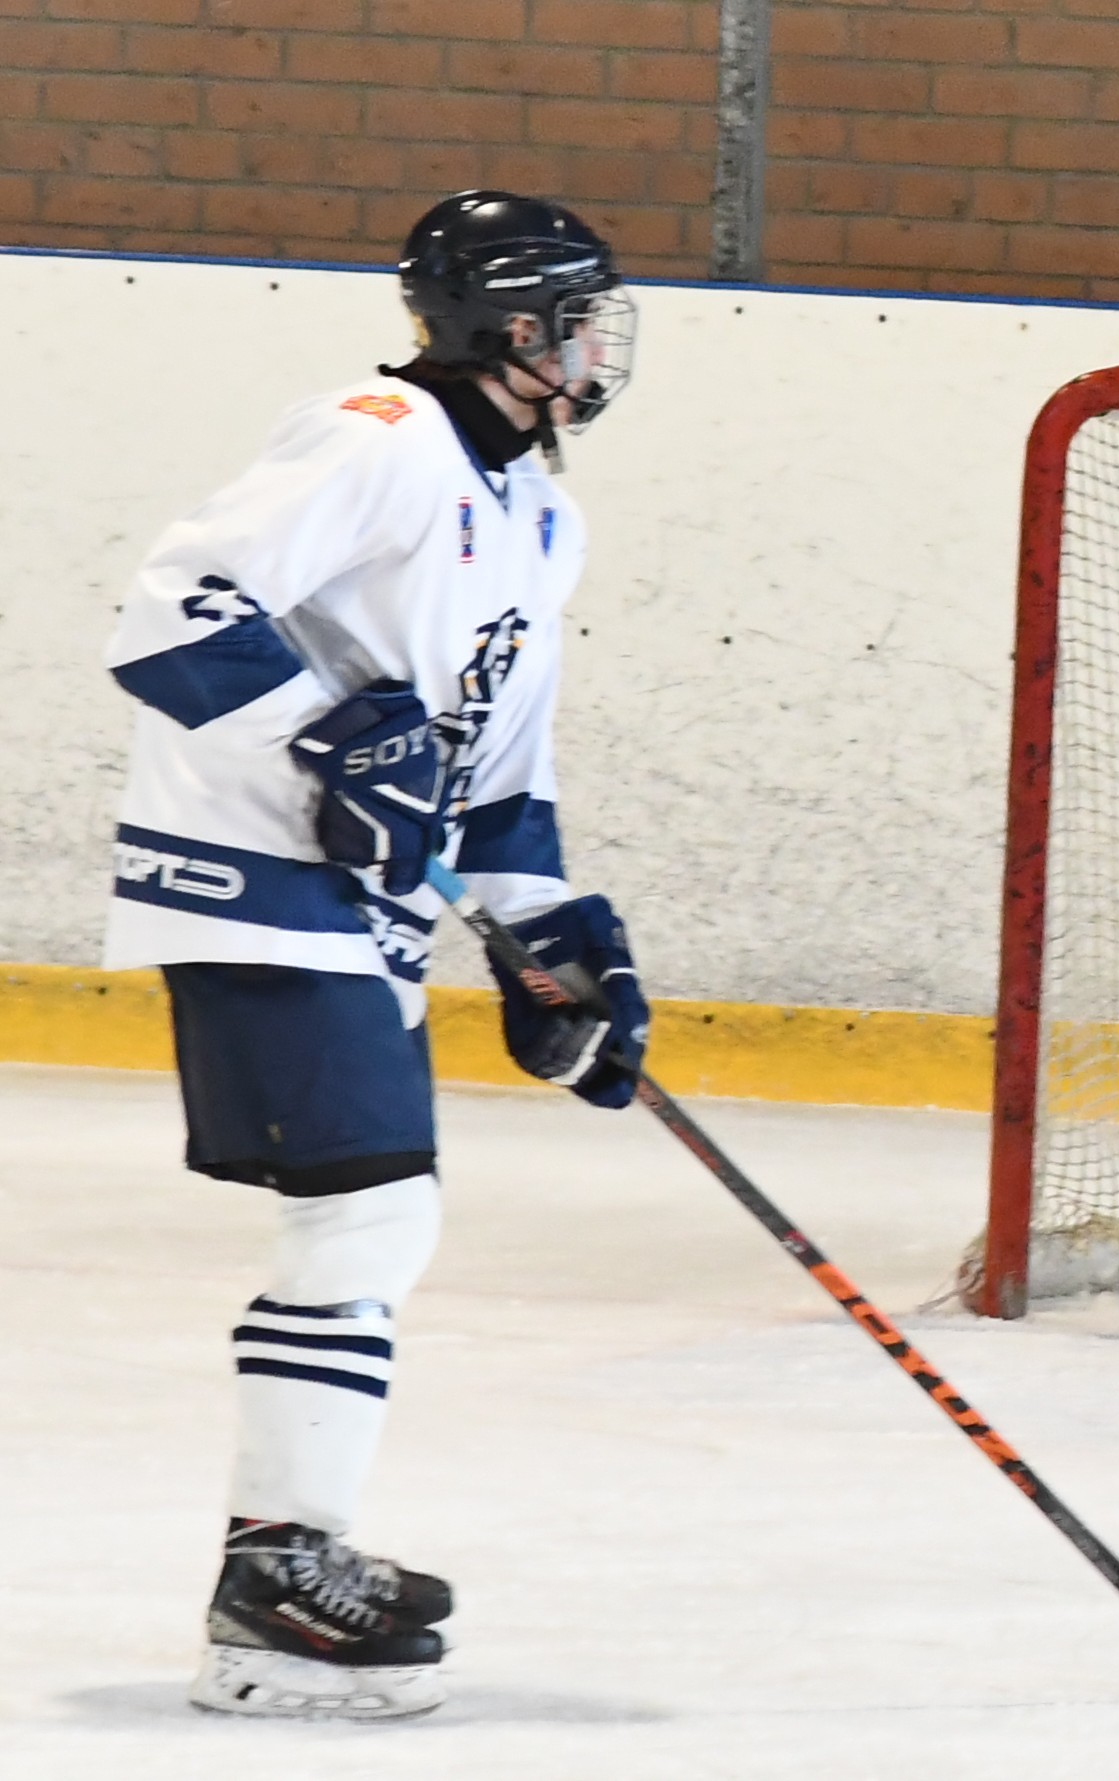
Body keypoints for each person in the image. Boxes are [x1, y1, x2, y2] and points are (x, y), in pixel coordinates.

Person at [104, 191, 653, 1717]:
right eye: (584, 315)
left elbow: (490, 773)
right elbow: (168, 619)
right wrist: (326, 732)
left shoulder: (542, 511)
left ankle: (280, 1566)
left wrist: (544, 935)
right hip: (248, 873)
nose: (607, 346)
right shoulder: (372, 436)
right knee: (366, 1222)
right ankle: (274, 1584)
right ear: (515, 327)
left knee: (374, 1226)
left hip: (359, 908)